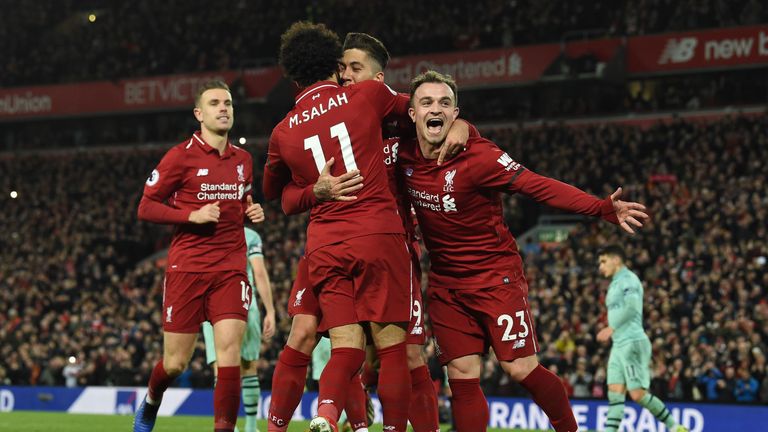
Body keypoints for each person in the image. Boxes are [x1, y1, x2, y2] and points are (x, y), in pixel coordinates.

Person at [396, 70, 650, 432]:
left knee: (519, 368)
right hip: (446, 285)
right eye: (426, 102)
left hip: (494, 277)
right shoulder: (402, 155)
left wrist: (599, 207)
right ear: (412, 113)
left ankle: (568, 429)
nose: (435, 109)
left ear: (455, 113)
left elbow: (536, 185)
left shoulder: (480, 157)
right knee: (461, 376)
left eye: (444, 103)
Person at [272, 32, 474, 432]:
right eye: (341, 67)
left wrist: (463, 125)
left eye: (355, 68)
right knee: (305, 332)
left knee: (407, 355)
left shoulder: (401, 120)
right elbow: (285, 192)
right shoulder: (339, 112)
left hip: (390, 241)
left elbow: (434, 112)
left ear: (378, 78)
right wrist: (315, 190)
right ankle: (324, 423)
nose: (345, 75)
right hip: (333, 240)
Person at [264, 22, 413, 432]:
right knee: (392, 349)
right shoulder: (366, 95)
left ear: (293, 76)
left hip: (325, 246)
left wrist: (314, 188)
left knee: (341, 346)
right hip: (377, 234)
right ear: (334, 65)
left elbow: (275, 193)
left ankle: (325, 416)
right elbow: (416, 109)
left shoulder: (282, 131)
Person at [133, 80, 265, 432]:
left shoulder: (244, 160)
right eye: (215, 103)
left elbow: (243, 200)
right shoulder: (180, 156)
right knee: (175, 363)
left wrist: (251, 210)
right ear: (199, 114)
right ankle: (150, 402)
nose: (224, 108)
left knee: (229, 356)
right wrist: (189, 216)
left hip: (230, 269)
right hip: (187, 269)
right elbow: (146, 207)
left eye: (228, 103)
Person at [597, 245, 688, 432]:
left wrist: (611, 328)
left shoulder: (629, 279)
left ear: (616, 260)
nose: (600, 266)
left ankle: (675, 427)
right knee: (614, 393)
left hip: (632, 342)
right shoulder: (615, 282)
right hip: (618, 344)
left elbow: (631, 307)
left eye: (603, 261)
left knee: (637, 394)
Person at [201, 224, 275, 432]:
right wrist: (270, 310)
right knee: (249, 366)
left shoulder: (208, 231)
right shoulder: (250, 235)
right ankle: (251, 427)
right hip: (245, 303)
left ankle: (226, 426)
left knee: (220, 369)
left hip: (212, 305)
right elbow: (258, 273)